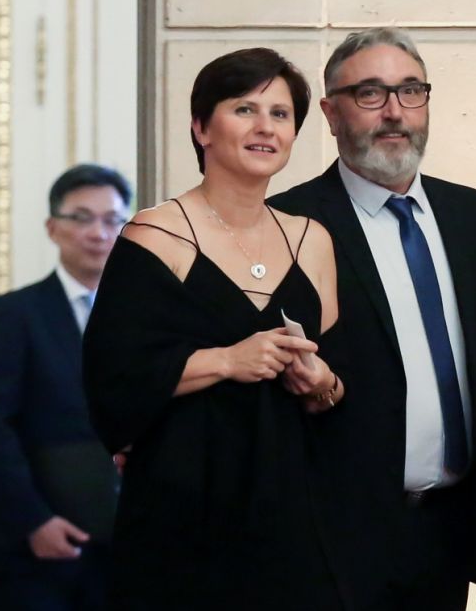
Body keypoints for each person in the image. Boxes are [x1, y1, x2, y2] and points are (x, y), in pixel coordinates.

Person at [269, 27, 476, 609]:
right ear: (330, 112)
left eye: (410, 91)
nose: (394, 112)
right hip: (327, 543)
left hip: (446, 534)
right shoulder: (286, 226)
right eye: (370, 94)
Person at [83, 48, 345, 610]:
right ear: (202, 127)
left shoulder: (312, 239)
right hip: (182, 509)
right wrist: (228, 360)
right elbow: (111, 380)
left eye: (280, 114)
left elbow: (344, 388)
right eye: (244, 109)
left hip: (292, 508)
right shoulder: (153, 235)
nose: (264, 128)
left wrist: (320, 381)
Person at [0, 163, 129, 610]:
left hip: (126, 544)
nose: (99, 232)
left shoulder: (143, 316)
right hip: (41, 547)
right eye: (82, 217)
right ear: (53, 227)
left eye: (113, 219)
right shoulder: (17, 313)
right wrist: (33, 520)